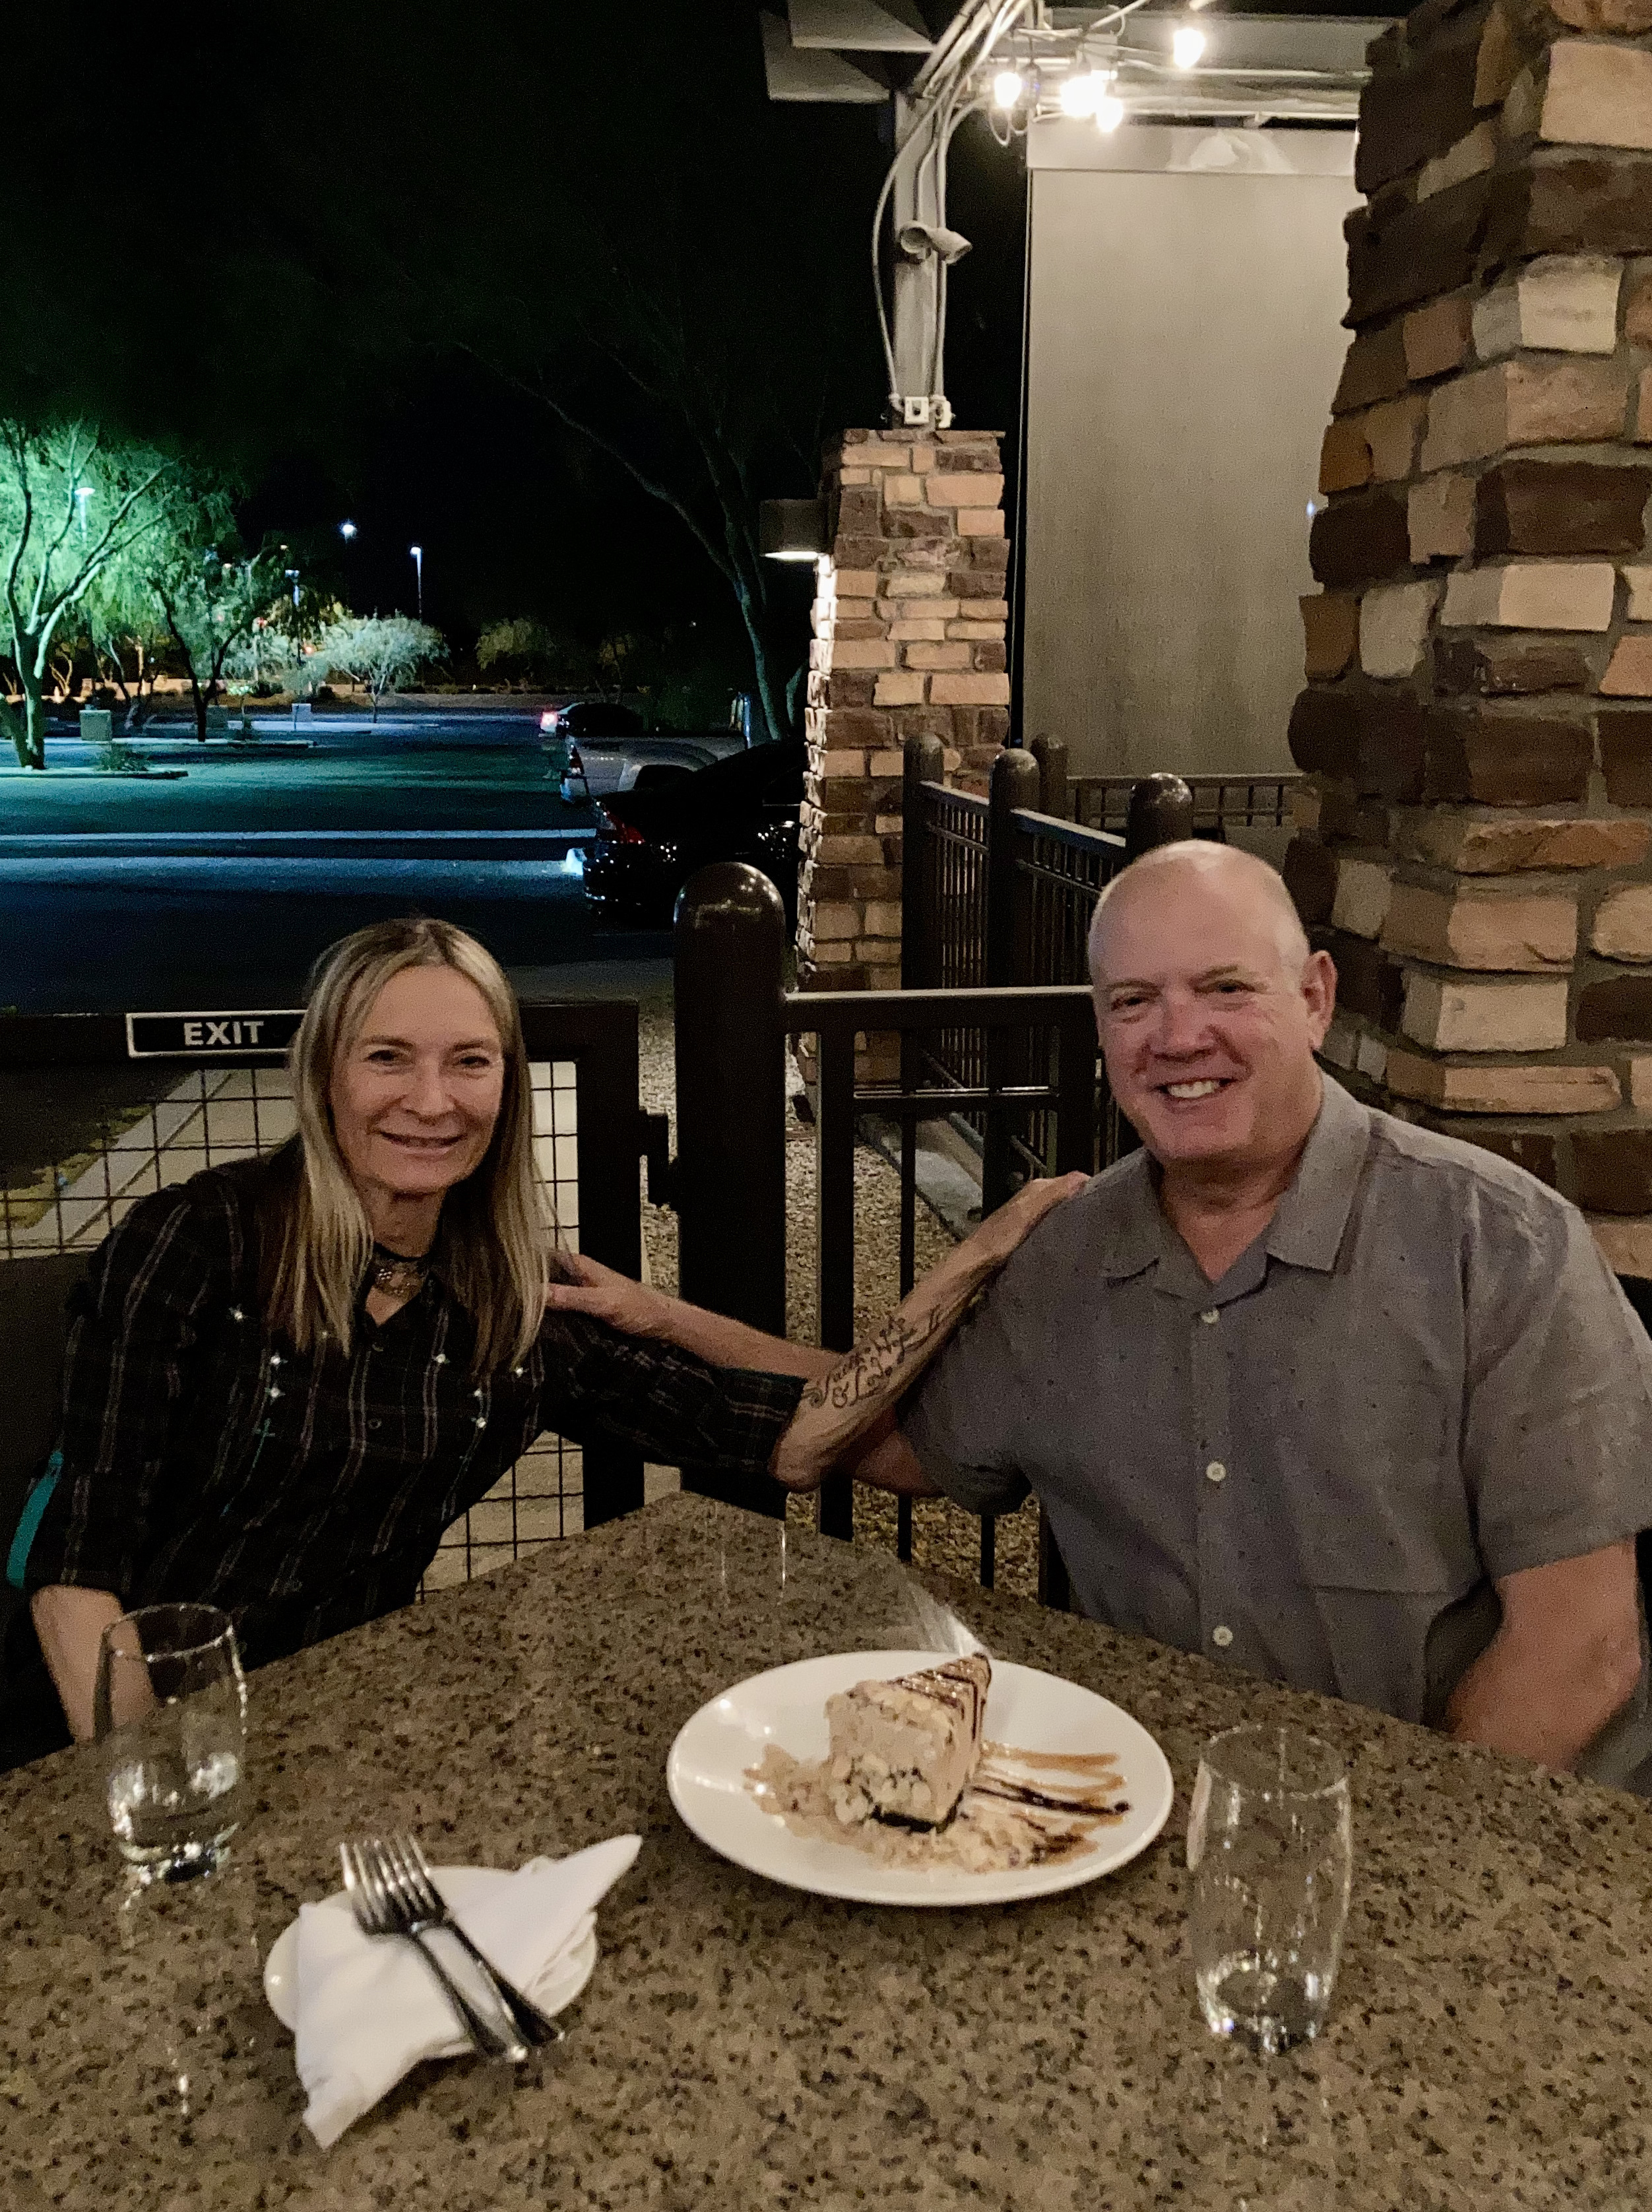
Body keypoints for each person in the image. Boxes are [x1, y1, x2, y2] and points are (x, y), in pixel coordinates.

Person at [7, 917, 1078, 1760]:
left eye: (470, 1062)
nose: (432, 1101)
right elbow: (75, 1559)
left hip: (329, 1729)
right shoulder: (200, 1242)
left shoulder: (512, 1310)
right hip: (88, 1738)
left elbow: (800, 1442)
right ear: (325, 1072)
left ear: (507, 1085)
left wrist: (976, 1257)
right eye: (388, 1057)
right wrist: (157, 1786)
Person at [855, 841, 1652, 1787]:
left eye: (1225, 988)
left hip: (1478, 1834)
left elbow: (1579, 1653)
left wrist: (1365, 1852)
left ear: (1315, 998)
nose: (1178, 1036)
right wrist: (691, 1331)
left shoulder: (1505, 1246)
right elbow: (910, 1447)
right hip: (1152, 1809)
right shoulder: (1062, 1260)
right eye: (1133, 1001)